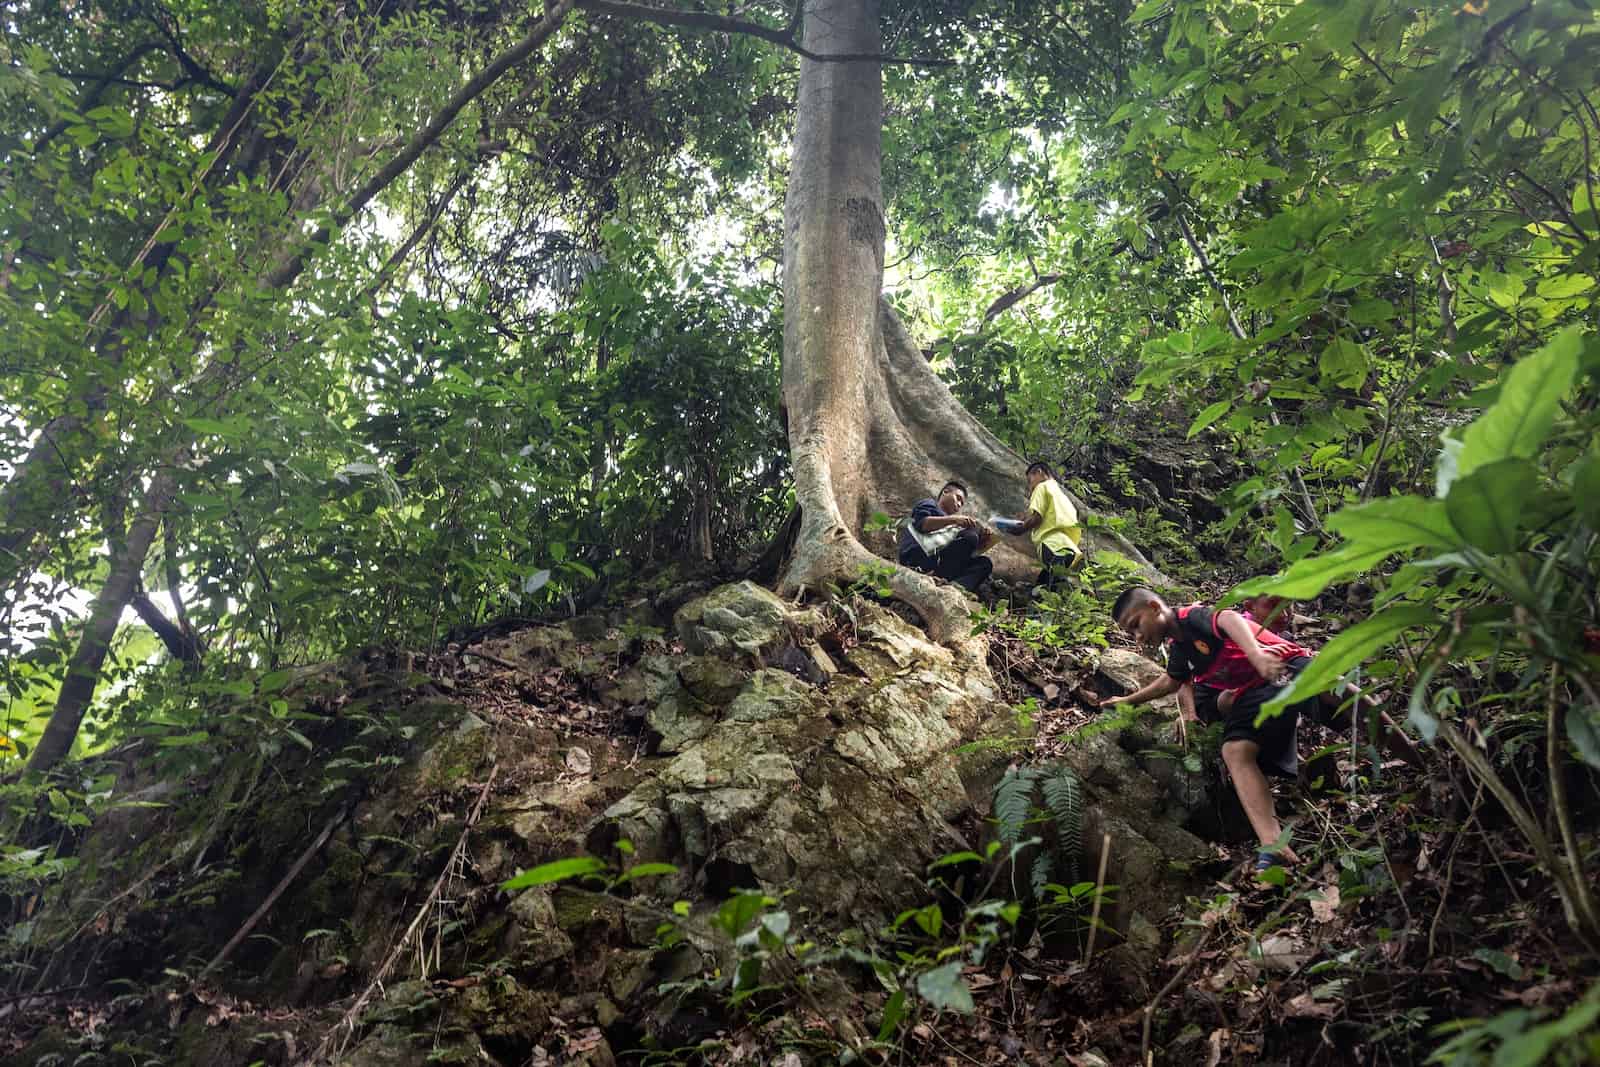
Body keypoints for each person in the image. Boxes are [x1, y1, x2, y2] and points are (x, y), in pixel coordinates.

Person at [1099, 587, 1417, 871]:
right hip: (1255, 690)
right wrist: (1127, 699)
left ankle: (1416, 756)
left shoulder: (1191, 617)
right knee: (1234, 750)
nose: (1137, 637)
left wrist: (1256, 654)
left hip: (1281, 665)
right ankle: (1273, 846)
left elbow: (1228, 619)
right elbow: (1170, 682)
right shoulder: (1180, 648)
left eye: (1135, 626)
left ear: (1155, 607)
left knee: (1335, 690)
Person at [898, 480, 994, 593]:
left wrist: (981, 540)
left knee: (984, 563)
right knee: (970, 536)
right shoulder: (930, 504)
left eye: (961, 504)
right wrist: (955, 520)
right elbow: (922, 524)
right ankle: (931, 577)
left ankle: (954, 589)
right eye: (958, 498)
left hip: (941, 565)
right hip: (918, 556)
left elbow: (961, 551)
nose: (958, 505)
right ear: (945, 492)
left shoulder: (954, 527)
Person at [1005, 462, 1083, 592]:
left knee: (1051, 584)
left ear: (1039, 472)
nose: (1030, 487)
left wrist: (1020, 529)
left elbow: (1038, 518)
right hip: (1068, 545)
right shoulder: (1060, 494)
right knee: (1047, 582)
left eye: (1030, 481)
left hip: (1052, 543)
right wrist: (1026, 517)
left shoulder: (1041, 487)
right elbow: (1049, 515)